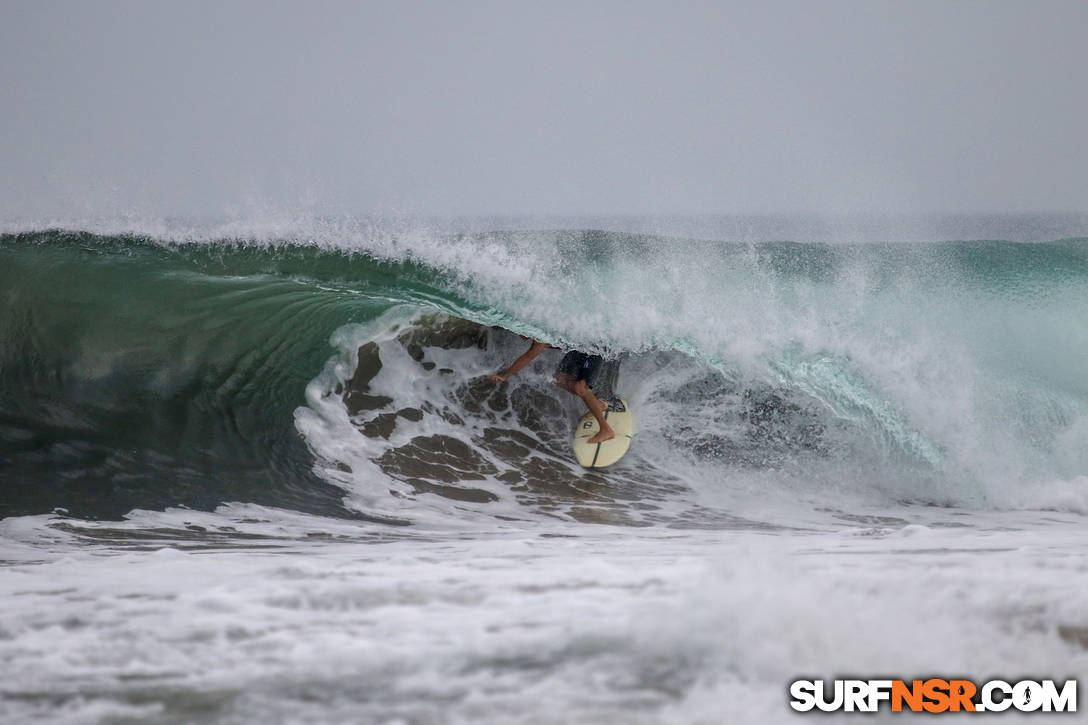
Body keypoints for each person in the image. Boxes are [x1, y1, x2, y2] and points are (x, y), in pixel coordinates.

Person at [489, 337, 619, 444]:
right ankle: (598, 405)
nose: (520, 337)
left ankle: (606, 430)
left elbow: (527, 357)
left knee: (580, 388)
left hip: (595, 345)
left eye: (520, 333)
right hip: (579, 345)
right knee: (561, 379)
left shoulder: (539, 339)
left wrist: (505, 376)